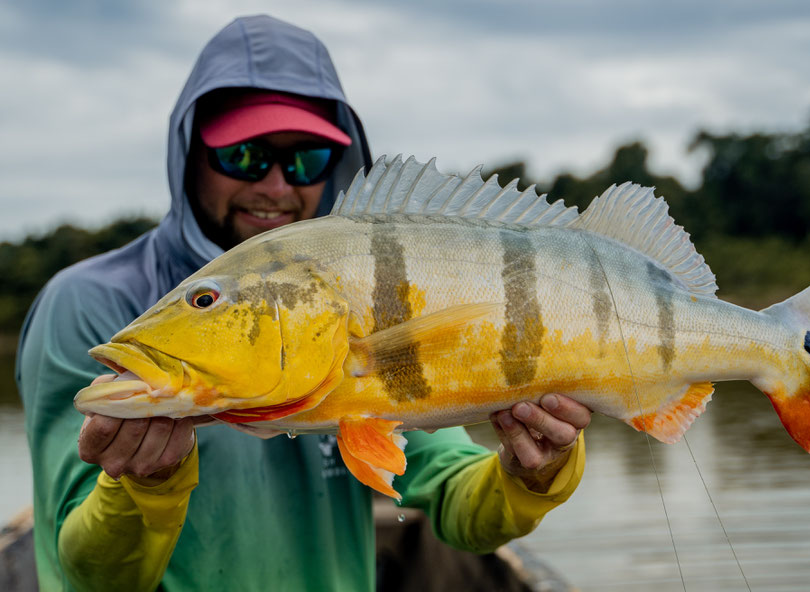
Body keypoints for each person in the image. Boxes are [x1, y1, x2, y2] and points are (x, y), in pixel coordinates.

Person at [16, 14, 591, 591]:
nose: (275, 185)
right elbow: (85, 577)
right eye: (244, 155)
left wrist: (530, 475)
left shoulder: (370, 293)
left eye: (305, 160)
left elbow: (462, 508)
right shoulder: (89, 303)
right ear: (190, 153)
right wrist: (144, 484)